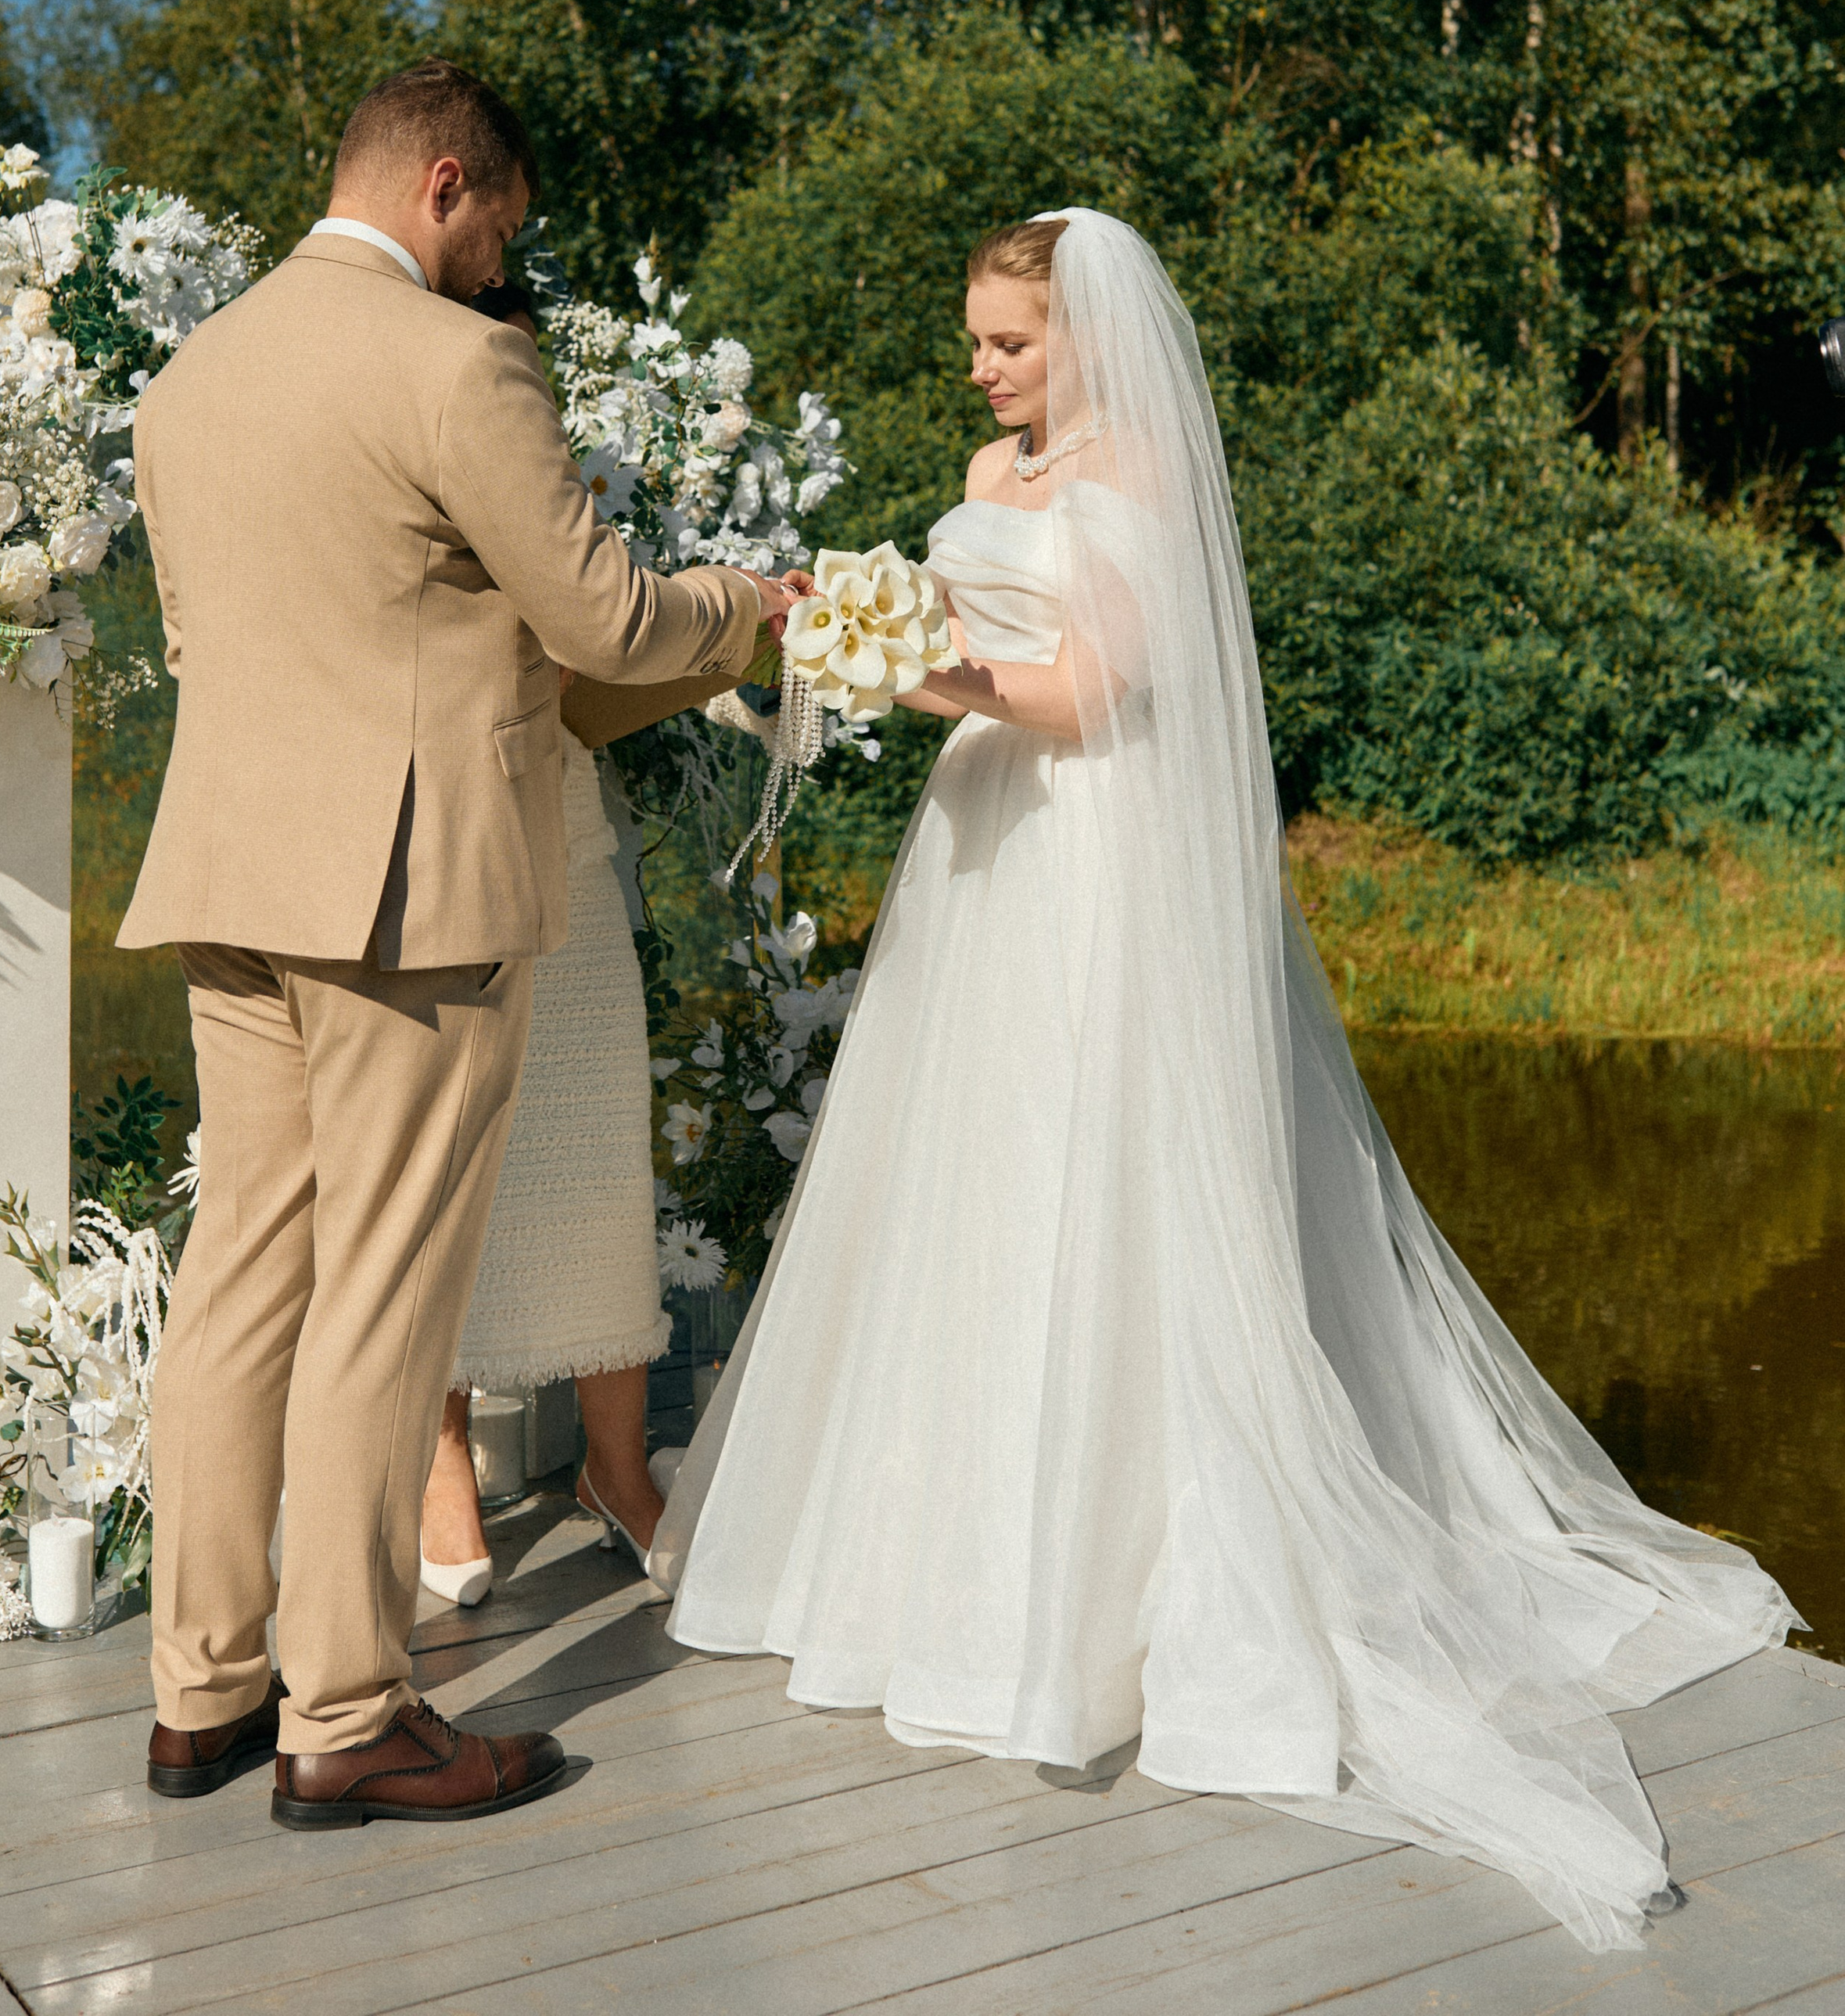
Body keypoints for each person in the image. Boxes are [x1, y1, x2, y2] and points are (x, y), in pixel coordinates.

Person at [655, 208, 1799, 1951]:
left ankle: (1100, 1602)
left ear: (1090, 339)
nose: (979, 372)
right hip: (982, 852)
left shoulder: (1148, 477)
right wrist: (870, 643)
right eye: (974, 340)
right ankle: (922, 1583)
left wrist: (917, 667)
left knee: (1091, 1181)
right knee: (964, 1188)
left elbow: (1094, 686)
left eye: (1008, 344)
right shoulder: (988, 461)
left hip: (1093, 854)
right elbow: (986, 655)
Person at [123, 61, 795, 1831]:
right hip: (406, 897)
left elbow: (216, 643)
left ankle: (202, 1690)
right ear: (443, 184)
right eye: (503, 224)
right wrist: (752, 608)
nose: (505, 263)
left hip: (228, 876)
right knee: (380, 1296)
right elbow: (609, 616)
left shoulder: (189, 381)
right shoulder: (455, 360)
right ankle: (345, 1716)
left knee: (242, 1276)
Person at [418, 282, 698, 1602]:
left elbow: (598, 637)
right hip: (432, 853)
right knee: (441, 1165)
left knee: (594, 1149)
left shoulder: (565, 498)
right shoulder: (404, 461)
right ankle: (438, 1463)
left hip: (566, 844)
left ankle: (614, 1466)